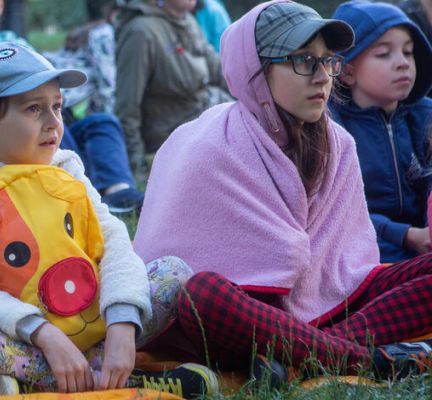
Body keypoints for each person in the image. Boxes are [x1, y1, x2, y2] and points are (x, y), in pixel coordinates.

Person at [134, 0, 432, 382]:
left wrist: (300, 330)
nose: (323, 76)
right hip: (238, 317)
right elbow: (177, 269)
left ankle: (300, 353)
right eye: (304, 60)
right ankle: (370, 362)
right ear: (255, 70)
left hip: (324, 304)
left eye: (327, 61)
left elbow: (343, 268)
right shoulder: (207, 145)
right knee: (202, 293)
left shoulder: (338, 142)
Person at [0, 43, 218, 398]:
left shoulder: (66, 166)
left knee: (173, 271)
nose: (53, 122)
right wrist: (42, 333)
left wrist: (122, 322)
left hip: (89, 315)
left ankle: (46, 376)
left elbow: (112, 240)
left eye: (57, 106)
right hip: (22, 331)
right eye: (34, 109)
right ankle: (116, 379)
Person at [0, 0, 145, 212]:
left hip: (27, 123)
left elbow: (40, 80)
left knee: (101, 122)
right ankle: (73, 186)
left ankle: (117, 189)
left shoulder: (12, 41)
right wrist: (5, 82)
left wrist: (40, 97)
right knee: (49, 127)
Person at [329, 1, 432, 263]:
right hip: (360, 252)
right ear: (348, 71)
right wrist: (405, 234)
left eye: (408, 52)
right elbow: (337, 211)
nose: (403, 63)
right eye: (384, 53)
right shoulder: (330, 126)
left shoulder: (425, 116)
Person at [114, 0, 232, 179]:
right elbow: (127, 108)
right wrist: (139, 169)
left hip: (208, 121)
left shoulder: (187, 21)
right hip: (175, 140)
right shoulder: (141, 32)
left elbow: (221, 72)